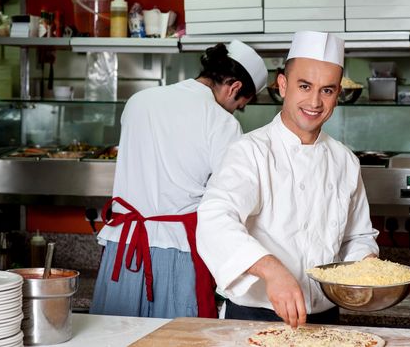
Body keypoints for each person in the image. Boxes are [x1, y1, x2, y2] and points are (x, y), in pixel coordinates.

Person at [196, 31, 379, 328]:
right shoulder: (249, 152)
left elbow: (356, 237)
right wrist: (271, 270)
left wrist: (366, 265)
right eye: (304, 86)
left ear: (338, 94)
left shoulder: (345, 160)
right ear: (283, 84)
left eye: (327, 90)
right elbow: (215, 219)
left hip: (327, 318)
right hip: (255, 318)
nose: (315, 102)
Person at [90, 40, 268, 319]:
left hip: (122, 248)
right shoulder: (222, 123)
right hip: (178, 253)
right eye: (239, 105)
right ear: (234, 88)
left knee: (115, 336)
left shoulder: (140, 100)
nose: (234, 111)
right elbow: (229, 201)